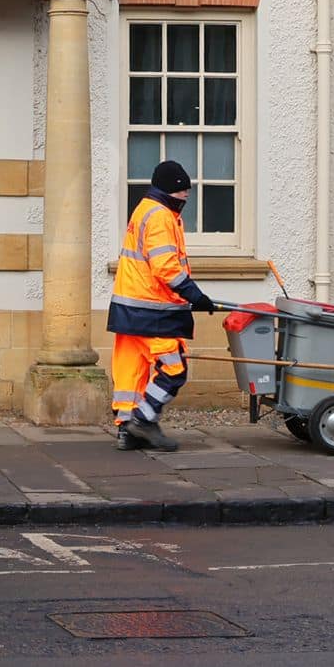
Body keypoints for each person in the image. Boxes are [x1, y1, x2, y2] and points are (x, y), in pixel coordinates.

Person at [109, 160, 218, 452]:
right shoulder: (160, 216)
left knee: (131, 372)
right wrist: (194, 294)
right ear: (171, 190)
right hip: (151, 309)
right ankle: (143, 420)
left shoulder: (145, 209)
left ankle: (127, 431)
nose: (186, 198)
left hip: (130, 308)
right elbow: (166, 266)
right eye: (184, 193)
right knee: (174, 369)